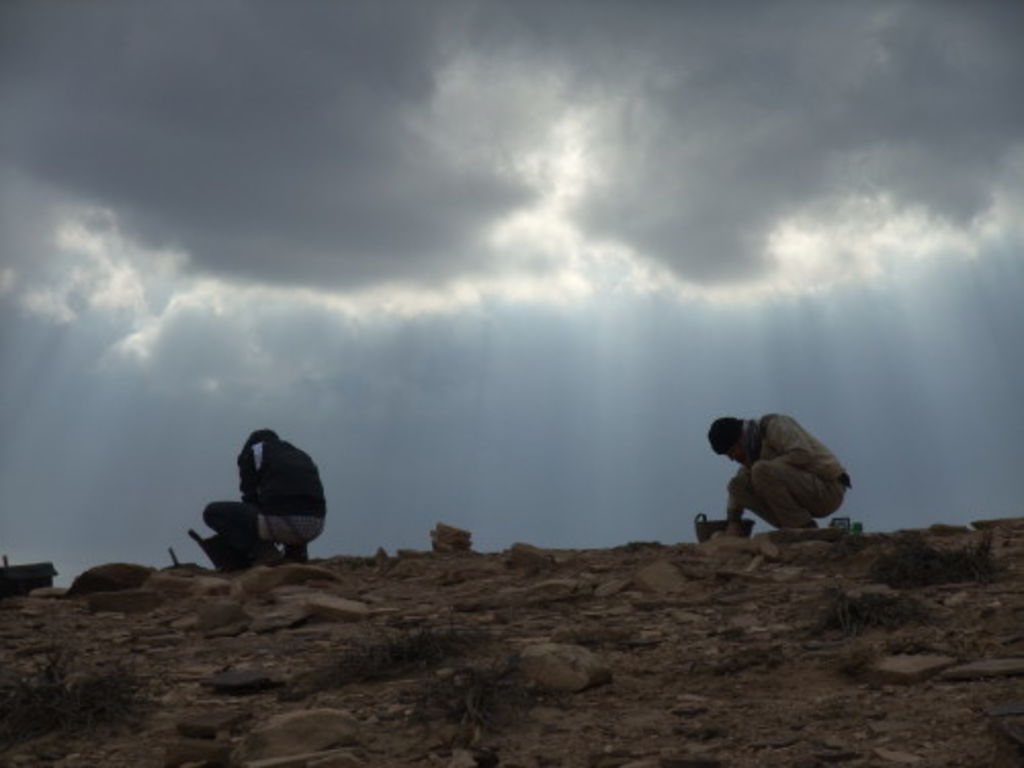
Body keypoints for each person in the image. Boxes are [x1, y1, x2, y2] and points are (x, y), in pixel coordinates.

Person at [200, 429, 326, 568]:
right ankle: (296, 554)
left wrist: (256, 535)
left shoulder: (254, 451)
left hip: (283, 523)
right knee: (292, 501)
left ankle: (264, 552)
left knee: (212, 512)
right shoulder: (300, 454)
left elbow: (250, 496)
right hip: (316, 525)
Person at [707, 414, 851, 536]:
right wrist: (734, 520)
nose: (732, 458)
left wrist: (767, 468)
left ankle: (803, 530)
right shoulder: (752, 452)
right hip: (804, 492)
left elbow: (802, 454)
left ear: (739, 440)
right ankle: (795, 529)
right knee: (737, 485)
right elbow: (739, 485)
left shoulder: (774, 426)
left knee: (760, 471)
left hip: (828, 488)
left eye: (731, 452)